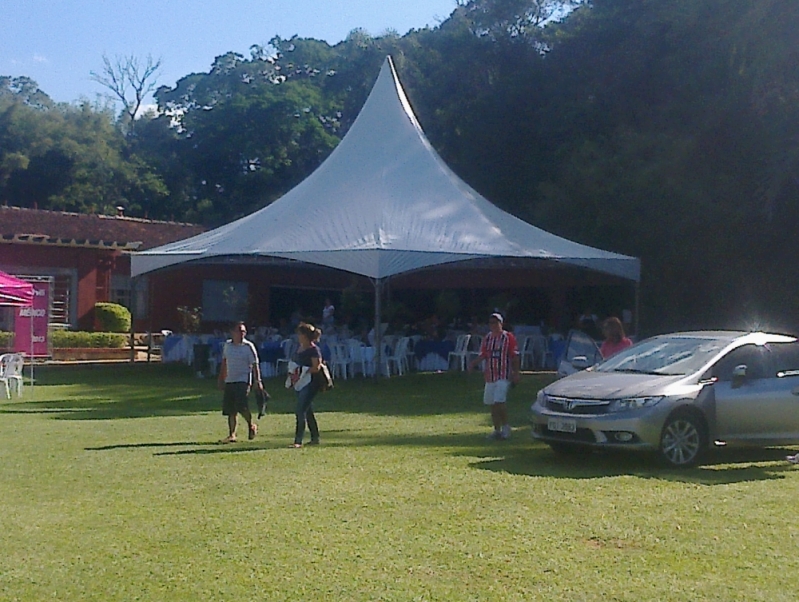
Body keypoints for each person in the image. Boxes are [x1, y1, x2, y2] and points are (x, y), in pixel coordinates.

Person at [467, 312, 520, 440]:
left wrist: (516, 373)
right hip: (490, 375)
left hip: (503, 374)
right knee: (492, 403)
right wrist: (473, 363)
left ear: (501, 324)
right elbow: (484, 354)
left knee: (499, 401)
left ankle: (506, 427)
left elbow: (514, 356)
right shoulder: (488, 338)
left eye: (496, 322)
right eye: (491, 323)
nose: (493, 325)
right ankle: (497, 430)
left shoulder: (508, 337)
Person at [217, 321, 264, 443]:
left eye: (244, 331)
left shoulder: (248, 346)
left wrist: (257, 381)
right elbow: (224, 362)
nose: (242, 333)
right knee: (230, 409)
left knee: (241, 406)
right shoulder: (227, 346)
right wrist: (221, 378)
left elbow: (255, 364)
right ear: (232, 332)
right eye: (239, 331)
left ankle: (250, 425)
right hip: (230, 379)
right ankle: (232, 434)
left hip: (243, 380)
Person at [288, 322, 323, 448]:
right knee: (308, 411)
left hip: (310, 383)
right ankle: (315, 437)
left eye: (300, 333)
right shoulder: (299, 347)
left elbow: (316, 367)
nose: (298, 336)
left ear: (305, 335)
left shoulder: (314, 350)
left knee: (300, 410)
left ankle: (298, 440)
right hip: (300, 382)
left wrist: (303, 371)